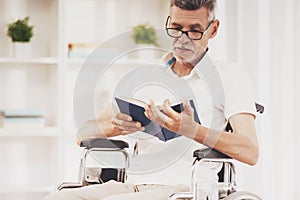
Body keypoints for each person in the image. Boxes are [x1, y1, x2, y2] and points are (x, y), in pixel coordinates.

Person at [43, 0, 258, 199]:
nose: (182, 39)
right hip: (133, 186)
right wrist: (116, 126)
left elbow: (250, 151)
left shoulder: (229, 76)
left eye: (194, 31)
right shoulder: (143, 76)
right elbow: (83, 134)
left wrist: (192, 130)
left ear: (213, 29)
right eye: (175, 28)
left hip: (185, 189)